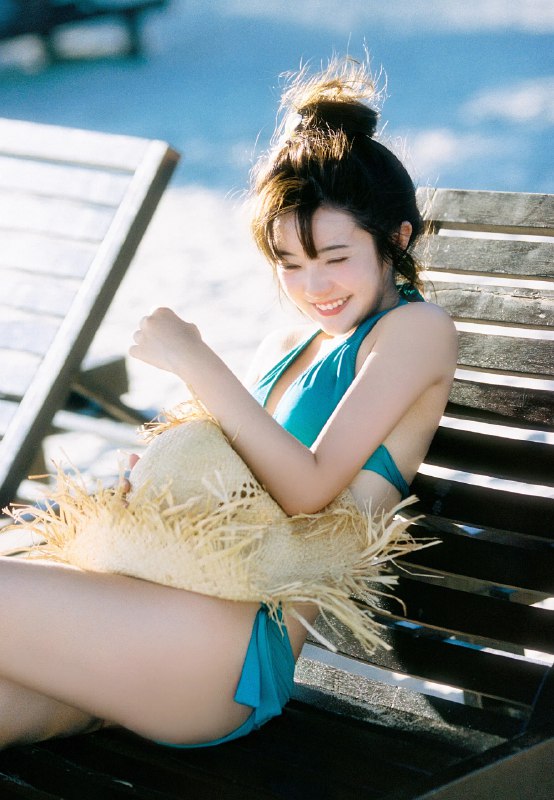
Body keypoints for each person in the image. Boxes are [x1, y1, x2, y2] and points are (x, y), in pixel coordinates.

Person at [0, 58, 457, 750]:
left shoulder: (416, 332)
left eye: (335, 258)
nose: (314, 287)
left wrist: (195, 361)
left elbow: (307, 490)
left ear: (396, 238)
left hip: (230, 652)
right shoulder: (285, 344)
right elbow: (239, 480)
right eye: (290, 263)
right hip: (150, 621)